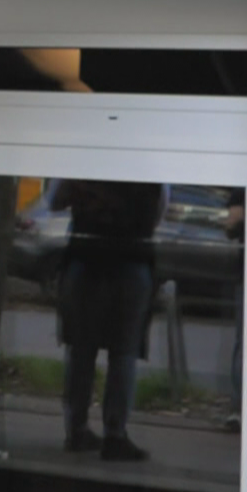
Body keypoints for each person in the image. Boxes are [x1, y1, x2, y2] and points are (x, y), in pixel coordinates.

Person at [49, 177, 167, 463]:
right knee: (123, 351)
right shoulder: (149, 168)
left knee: (81, 349)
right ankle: (115, 434)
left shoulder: (84, 164)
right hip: (131, 259)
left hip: (86, 257)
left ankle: (77, 429)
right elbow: (159, 210)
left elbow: (55, 201)